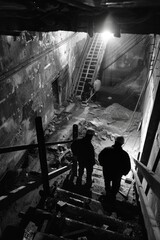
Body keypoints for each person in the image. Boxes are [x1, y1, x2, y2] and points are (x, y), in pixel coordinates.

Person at [98, 136, 131, 201]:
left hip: (107, 171)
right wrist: (124, 173)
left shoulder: (106, 150)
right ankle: (112, 196)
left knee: (107, 182)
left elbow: (100, 157)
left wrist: (103, 164)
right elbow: (127, 166)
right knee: (116, 185)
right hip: (117, 174)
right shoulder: (124, 154)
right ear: (122, 143)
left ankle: (107, 192)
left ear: (115, 141)